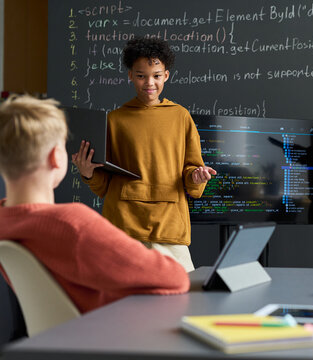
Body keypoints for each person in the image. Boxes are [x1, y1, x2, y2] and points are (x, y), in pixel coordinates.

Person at [0, 95, 190, 314]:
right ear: (56, 157)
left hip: (62, 338)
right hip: (115, 336)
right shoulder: (73, 225)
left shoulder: (5, 222)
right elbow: (175, 277)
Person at [72, 37, 216, 272]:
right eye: (141, 76)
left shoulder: (181, 117)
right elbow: (103, 184)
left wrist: (197, 178)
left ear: (166, 76)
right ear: (130, 75)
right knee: (125, 301)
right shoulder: (114, 120)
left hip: (169, 226)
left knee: (182, 297)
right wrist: (88, 174)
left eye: (156, 75)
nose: (149, 83)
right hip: (123, 226)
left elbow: (192, 176)